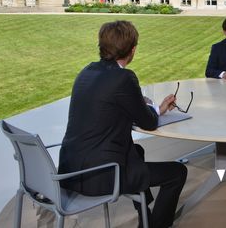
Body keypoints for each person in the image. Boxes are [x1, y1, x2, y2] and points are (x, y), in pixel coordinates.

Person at [59, 20, 187, 228]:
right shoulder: (124, 78)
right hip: (101, 175)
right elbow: (149, 123)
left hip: (71, 167)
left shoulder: (87, 71)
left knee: (136, 151)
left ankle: (144, 219)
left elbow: (109, 107)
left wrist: (148, 106)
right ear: (133, 49)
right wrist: (155, 109)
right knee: (177, 173)